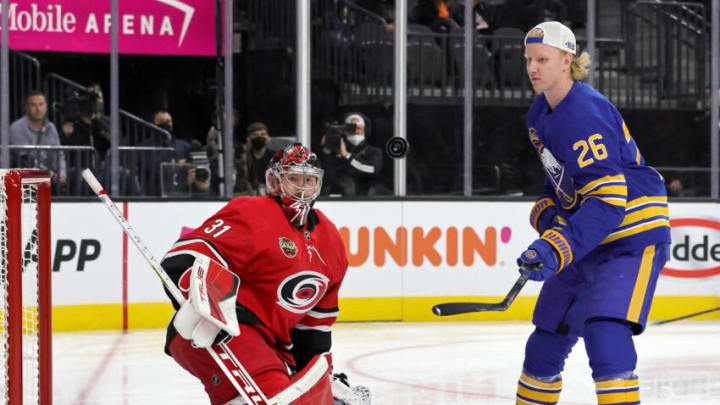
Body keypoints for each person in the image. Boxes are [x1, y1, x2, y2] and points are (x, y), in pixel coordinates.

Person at [515, 21, 670, 405]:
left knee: (605, 333)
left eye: (543, 59)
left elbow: (608, 200)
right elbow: (562, 182)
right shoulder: (540, 113)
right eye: (529, 60)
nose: (533, 68)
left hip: (630, 238)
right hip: (589, 237)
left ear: (567, 60)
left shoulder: (584, 111)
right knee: (546, 340)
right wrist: (549, 216)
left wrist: (556, 247)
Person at [160, 143, 355, 404]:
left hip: (271, 349)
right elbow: (181, 258)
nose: (301, 187)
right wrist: (204, 305)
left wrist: (321, 378)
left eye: (308, 180)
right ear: (275, 180)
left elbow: (313, 331)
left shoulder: (331, 241)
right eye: (293, 178)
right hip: (219, 331)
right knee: (276, 396)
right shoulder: (252, 213)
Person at [9, 90, 67, 189]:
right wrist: (51, 175)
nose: (38, 109)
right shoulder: (17, 127)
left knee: (78, 174)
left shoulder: (51, 127)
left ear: (46, 107)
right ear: (26, 108)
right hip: (25, 177)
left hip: (51, 177)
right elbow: (26, 159)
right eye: (33, 105)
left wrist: (62, 173)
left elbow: (58, 154)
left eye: (41, 104)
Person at [320, 113, 383, 196]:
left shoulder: (373, 151)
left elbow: (371, 169)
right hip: (337, 199)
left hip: (365, 199)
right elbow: (322, 176)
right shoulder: (335, 152)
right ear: (345, 131)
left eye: (359, 128)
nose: (356, 131)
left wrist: (347, 156)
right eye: (351, 129)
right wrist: (325, 153)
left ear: (365, 130)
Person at [234, 122, 274, 196]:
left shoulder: (275, 157)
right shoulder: (243, 157)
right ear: (249, 138)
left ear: (268, 137)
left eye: (262, 134)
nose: (259, 137)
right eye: (255, 135)